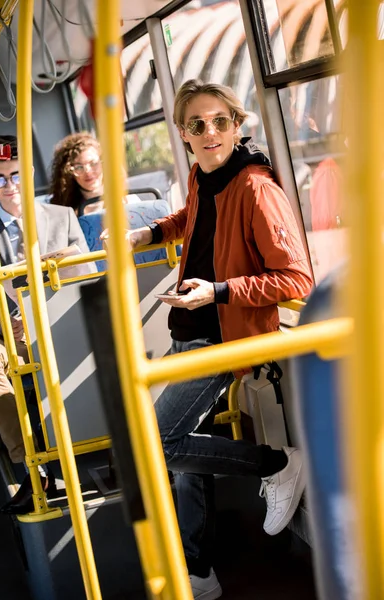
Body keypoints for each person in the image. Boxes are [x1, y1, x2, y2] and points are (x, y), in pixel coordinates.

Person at [125, 80, 314, 599]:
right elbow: (195, 218)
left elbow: (296, 278)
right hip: (191, 329)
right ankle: (198, 570)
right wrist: (154, 233)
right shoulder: (201, 175)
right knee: (187, 461)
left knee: (161, 443)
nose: (210, 133)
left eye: (220, 122)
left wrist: (218, 292)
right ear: (184, 135)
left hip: (224, 335)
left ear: (238, 125)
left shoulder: (257, 188)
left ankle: (276, 464)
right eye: (197, 125)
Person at [0, 135, 95, 514]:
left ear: (28, 173)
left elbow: (89, 275)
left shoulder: (62, 218)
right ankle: (33, 467)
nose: (10, 186)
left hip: (64, 317)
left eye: (16, 175)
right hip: (11, 332)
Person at [49, 132, 104, 216]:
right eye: (79, 167)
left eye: (93, 163)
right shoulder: (66, 214)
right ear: (68, 173)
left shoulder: (125, 198)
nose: (88, 171)